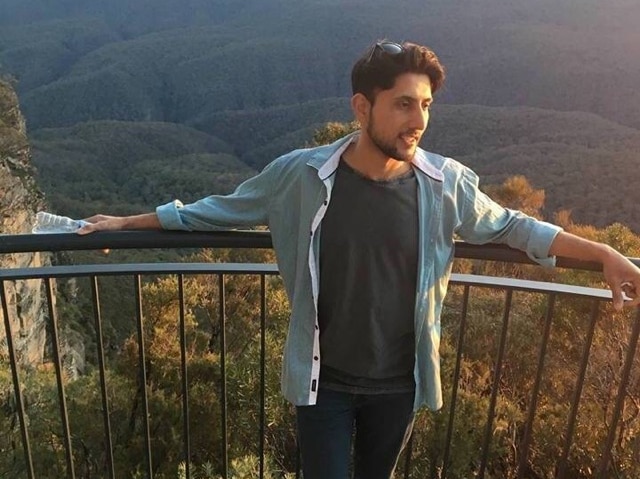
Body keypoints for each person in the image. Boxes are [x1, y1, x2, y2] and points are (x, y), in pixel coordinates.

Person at [78, 40, 640, 479]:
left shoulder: (445, 185)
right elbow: (213, 211)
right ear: (361, 106)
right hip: (324, 381)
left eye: (425, 105)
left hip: (400, 382)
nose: (417, 119)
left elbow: (516, 227)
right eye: (403, 105)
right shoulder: (300, 175)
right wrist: (125, 223)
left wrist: (604, 252)